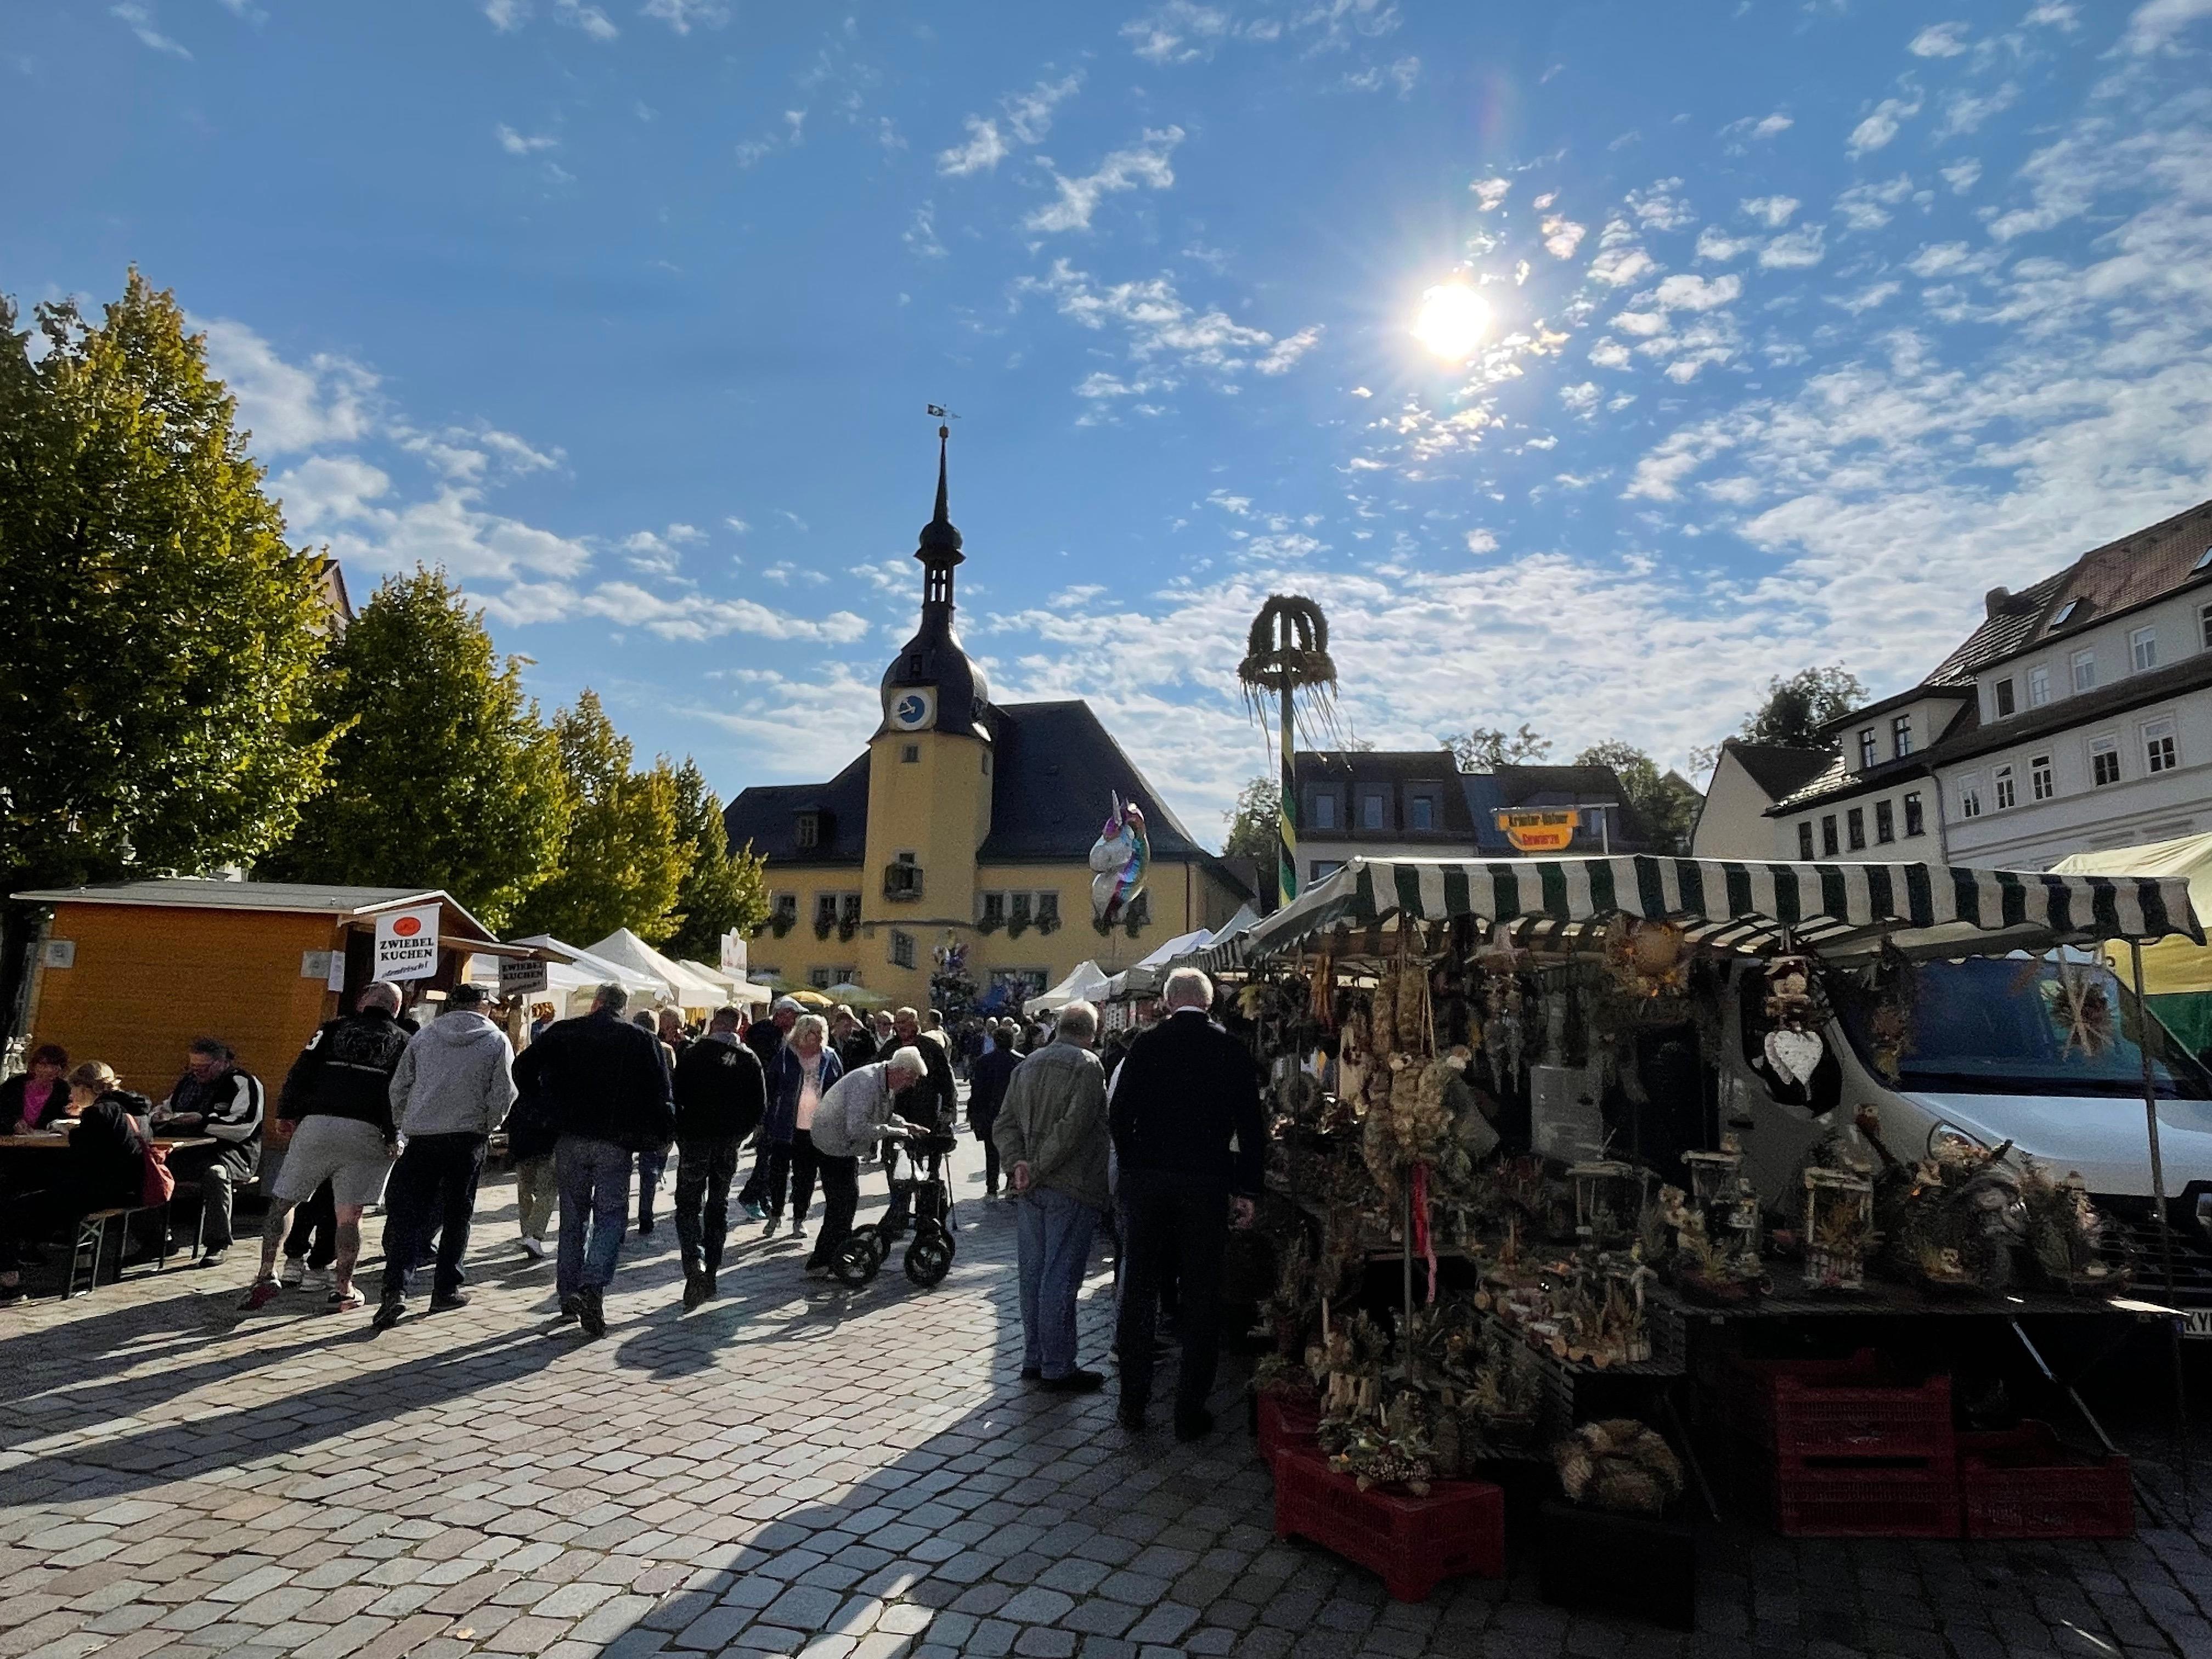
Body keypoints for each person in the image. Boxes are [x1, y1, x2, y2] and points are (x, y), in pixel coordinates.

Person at [1108, 967, 1265, 1440]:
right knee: (1202, 1294)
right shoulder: (1230, 1049)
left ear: (1167, 1000)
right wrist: (1248, 1189)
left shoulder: (1146, 1045)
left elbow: (1118, 1114)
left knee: (1140, 1291)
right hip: (1206, 1183)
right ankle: (1189, 1410)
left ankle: (1133, 1402)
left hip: (1150, 1182)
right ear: (1210, 1002)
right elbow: (1252, 1127)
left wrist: (1134, 1165)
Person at [512, 983, 673, 1339]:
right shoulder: (640, 1039)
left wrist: (543, 1103)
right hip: (615, 1140)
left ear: (596, 1003)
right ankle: (593, 1284)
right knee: (611, 1216)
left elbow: (522, 1067)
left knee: (573, 1217)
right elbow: (660, 1094)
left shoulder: (565, 1031)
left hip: (570, 1136)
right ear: (622, 1008)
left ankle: (569, 1293)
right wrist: (654, 1137)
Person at [240, 983, 410, 1312]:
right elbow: (399, 1093)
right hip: (367, 1131)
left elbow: (301, 1070)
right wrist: (393, 1135)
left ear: (363, 1002)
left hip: (317, 1124)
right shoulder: (404, 1042)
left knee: (284, 1202)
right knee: (350, 1216)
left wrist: (286, 1113)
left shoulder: (331, 1030)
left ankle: (266, 1271)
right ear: (396, 1009)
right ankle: (344, 1288)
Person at [373, 983, 518, 1330]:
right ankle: (446, 1289)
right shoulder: (496, 1040)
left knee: (409, 1216)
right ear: (482, 1006)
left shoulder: (424, 1037)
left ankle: (395, 1291)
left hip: (423, 1137)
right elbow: (505, 1091)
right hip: (467, 1137)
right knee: (457, 1215)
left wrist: (406, 1121)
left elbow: (399, 1085)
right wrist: (489, 1123)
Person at [995, 1001, 1111, 1392]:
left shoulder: (1028, 1064)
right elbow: (1073, 1128)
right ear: (1091, 1032)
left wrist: (1018, 1165)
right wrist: (1035, 1166)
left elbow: (1004, 1123)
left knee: (1034, 1273)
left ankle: (1035, 1357)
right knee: (1060, 1275)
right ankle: (1057, 1365)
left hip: (1033, 1187)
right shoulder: (1088, 1065)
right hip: (1071, 1184)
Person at [0, 1087, 155, 1304]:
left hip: (98, 1193)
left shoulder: (98, 1112)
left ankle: (10, 1284)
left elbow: (82, 1155)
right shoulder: (138, 1111)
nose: (70, 1096)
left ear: (86, 1088)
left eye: (74, 1089)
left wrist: (72, 1132)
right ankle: (33, 1254)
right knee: (26, 1205)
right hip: (130, 1190)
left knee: (10, 1210)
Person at [671, 1005, 767, 1308]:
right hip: (727, 1143)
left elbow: (676, 1094)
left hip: (695, 1139)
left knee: (688, 1205)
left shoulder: (694, 1054)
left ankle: (694, 1265)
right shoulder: (748, 1059)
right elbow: (759, 1108)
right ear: (738, 1027)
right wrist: (738, 1135)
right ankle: (711, 1272)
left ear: (714, 1024)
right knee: (718, 1205)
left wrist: (682, 1132)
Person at [803, 1047, 927, 1276]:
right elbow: (857, 1127)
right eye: (911, 1078)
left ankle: (832, 1255)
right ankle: (824, 1261)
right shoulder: (867, 1082)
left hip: (843, 1144)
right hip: (833, 1143)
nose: (911, 1084)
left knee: (846, 1201)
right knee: (842, 1202)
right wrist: (894, 1132)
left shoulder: (883, 1080)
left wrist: (905, 1126)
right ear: (900, 1071)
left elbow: (881, 1114)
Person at [155, 1037, 265, 1268]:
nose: (197, 1073)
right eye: (193, 1067)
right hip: (187, 1151)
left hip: (231, 1154)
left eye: (204, 1068)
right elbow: (168, 1107)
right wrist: (158, 1117)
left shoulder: (243, 1083)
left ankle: (218, 1243)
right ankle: (156, 1240)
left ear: (223, 1062)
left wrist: (202, 1122)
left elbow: (244, 1126)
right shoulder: (188, 1083)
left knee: (216, 1174)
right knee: (149, 1169)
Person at [760, 1014, 843, 1240]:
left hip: (814, 1127)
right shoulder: (786, 1056)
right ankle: (775, 1213)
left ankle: (799, 1219)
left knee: (805, 1176)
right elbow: (770, 1087)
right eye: (813, 1032)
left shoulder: (830, 1057)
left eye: (821, 1032)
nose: (818, 1037)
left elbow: (839, 1088)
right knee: (778, 1173)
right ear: (802, 1033)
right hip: (785, 1125)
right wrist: (766, 1119)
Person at [736, 996, 802, 1219]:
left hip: (780, 1104)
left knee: (773, 1155)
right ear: (782, 1014)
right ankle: (751, 1195)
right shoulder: (763, 1034)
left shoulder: (784, 1035)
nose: (795, 1020)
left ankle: (763, 1198)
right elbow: (768, 1069)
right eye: (793, 1015)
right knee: (768, 1153)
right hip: (767, 1103)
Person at [631, 1011, 679, 1234]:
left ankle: (618, 1220)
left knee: (621, 1168)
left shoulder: (626, 1046)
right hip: (654, 1114)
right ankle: (645, 1215)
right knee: (649, 1168)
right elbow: (672, 1082)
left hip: (629, 1114)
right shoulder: (666, 1050)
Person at [967, 1019, 1020, 1197]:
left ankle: (992, 1186)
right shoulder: (1020, 1061)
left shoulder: (983, 1061)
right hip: (1014, 1113)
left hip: (990, 1113)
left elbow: (977, 1090)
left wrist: (974, 1113)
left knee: (991, 1151)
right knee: (1014, 1149)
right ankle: (1012, 1184)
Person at [888, 1006, 957, 1133]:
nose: (900, 1027)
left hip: (926, 1110)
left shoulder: (931, 1047)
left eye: (904, 1022)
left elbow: (946, 1081)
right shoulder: (890, 1048)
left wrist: (948, 1108)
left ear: (915, 1023)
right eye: (897, 1023)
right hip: (897, 1111)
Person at [2, 1045, 70, 1134]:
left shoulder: (64, 1091)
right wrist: (13, 1123)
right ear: (34, 1066)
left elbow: (65, 1121)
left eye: (54, 1066)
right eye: (43, 1065)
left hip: (48, 1141)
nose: (49, 1070)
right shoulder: (14, 1085)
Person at [831, 1006, 878, 1075]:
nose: (848, 1029)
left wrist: (862, 1030)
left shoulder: (856, 1043)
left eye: (850, 1024)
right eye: (845, 1025)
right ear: (836, 1025)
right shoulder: (828, 1043)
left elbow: (872, 1049)